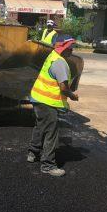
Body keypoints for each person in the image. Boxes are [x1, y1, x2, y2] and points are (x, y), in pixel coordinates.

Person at [27, 37, 79, 177]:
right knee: (51, 132)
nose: (71, 50)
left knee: (40, 126)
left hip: (38, 98)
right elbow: (63, 87)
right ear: (64, 48)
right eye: (70, 47)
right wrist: (72, 96)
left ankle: (33, 153)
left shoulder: (52, 55)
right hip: (47, 102)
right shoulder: (60, 63)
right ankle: (48, 165)